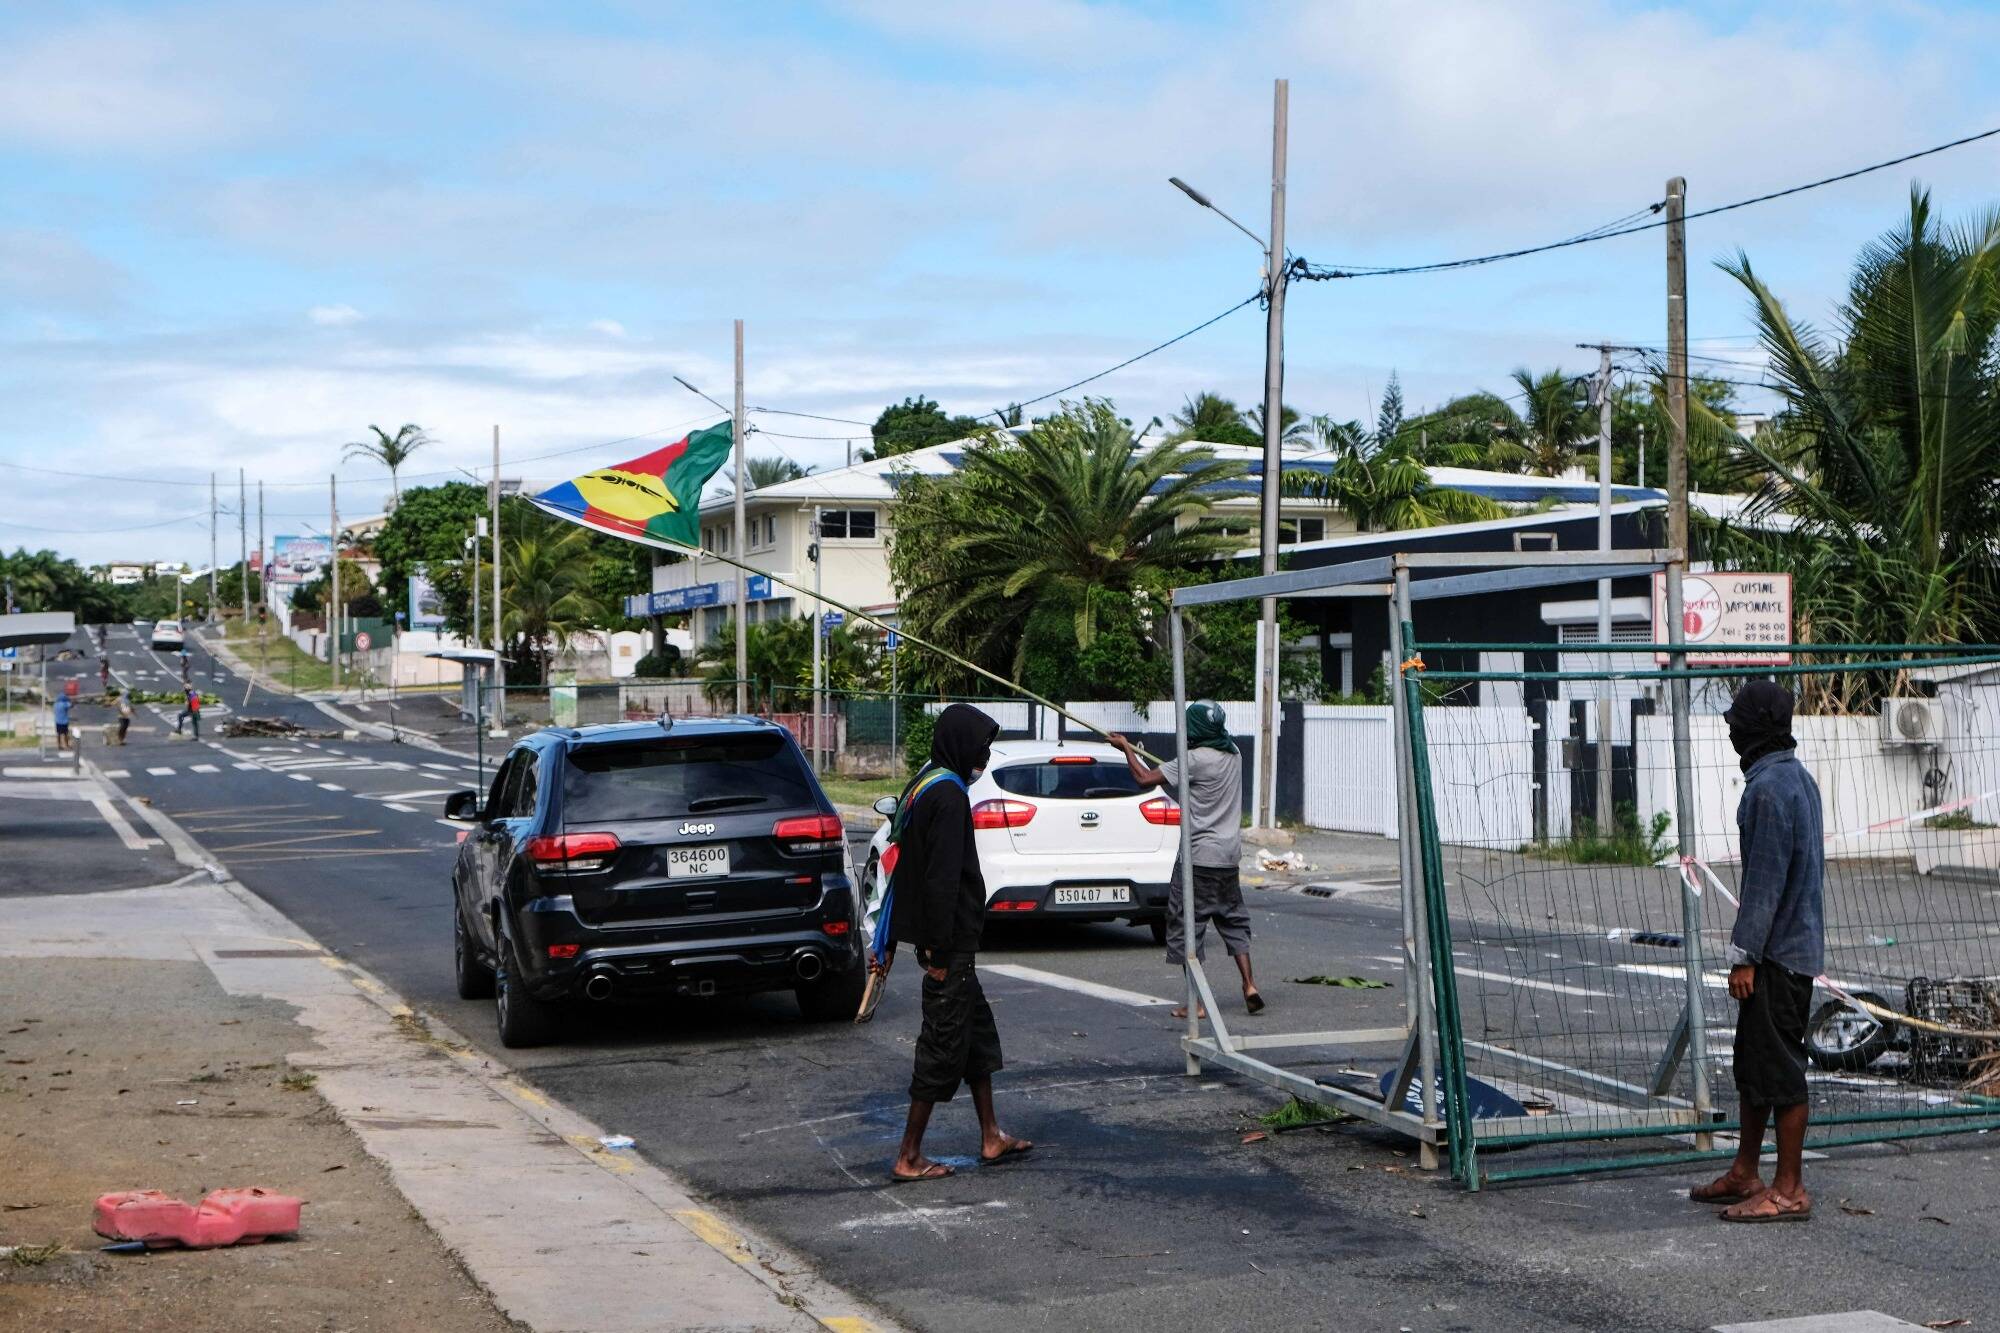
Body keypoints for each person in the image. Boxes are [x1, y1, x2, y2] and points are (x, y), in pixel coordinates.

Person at [1692, 680, 1824, 1223]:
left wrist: (1744, 955)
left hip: (1778, 955)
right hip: (1788, 947)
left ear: (1755, 730)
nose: (1731, 732)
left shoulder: (1768, 790)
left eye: (1737, 724)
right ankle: (1746, 1171)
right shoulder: (1796, 778)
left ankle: (1788, 1189)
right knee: (1754, 1064)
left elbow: (1764, 883)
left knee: (1782, 1070)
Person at [889, 703, 1032, 1183]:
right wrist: (938, 951)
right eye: (980, 749)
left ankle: (991, 1135)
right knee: (942, 1043)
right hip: (949, 947)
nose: (983, 759)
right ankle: (909, 1155)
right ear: (960, 746)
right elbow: (941, 880)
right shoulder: (948, 796)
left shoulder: (927, 783)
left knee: (977, 1038)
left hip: (953, 945)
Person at [1110, 702, 1262, 1019]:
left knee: (1185, 927)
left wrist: (1126, 749)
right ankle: (1249, 984)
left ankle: (1197, 1003)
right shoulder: (1234, 753)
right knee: (1233, 920)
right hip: (1228, 857)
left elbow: (1143, 779)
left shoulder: (1193, 760)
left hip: (1198, 858)